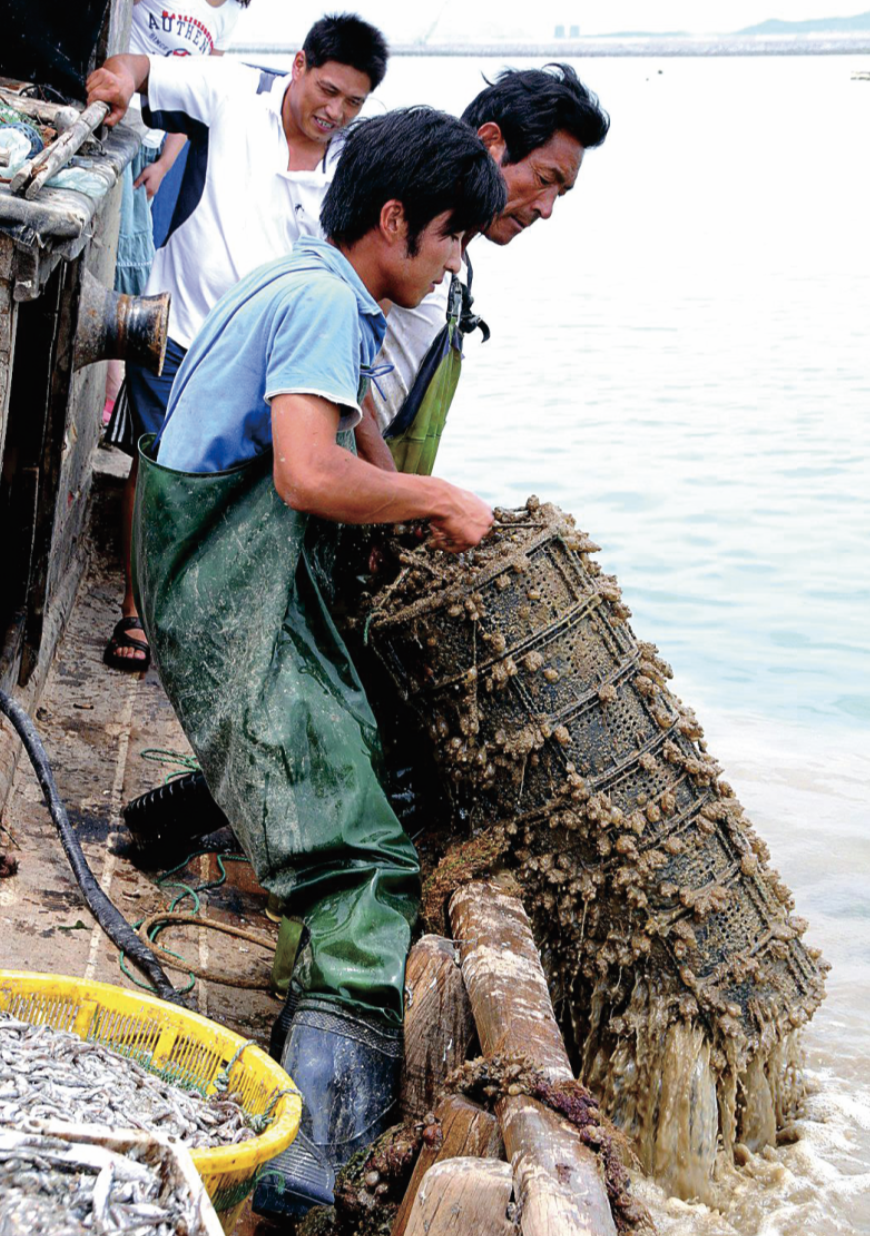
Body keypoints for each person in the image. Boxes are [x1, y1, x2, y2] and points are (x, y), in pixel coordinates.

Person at [132, 106, 506, 1217]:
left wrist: (402, 496)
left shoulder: (305, 280)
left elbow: (351, 443)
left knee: (369, 752)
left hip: (218, 575)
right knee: (364, 864)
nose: (454, 267)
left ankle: (232, 807)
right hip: (222, 596)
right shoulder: (320, 302)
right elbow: (304, 471)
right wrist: (438, 495)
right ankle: (305, 1161)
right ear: (395, 221)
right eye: (450, 241)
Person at [86, 12, 389, 670]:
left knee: (242, 490)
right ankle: (137, 612)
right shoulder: (232, 91)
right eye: (328, 91)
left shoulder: (354, 161)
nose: (335, 111)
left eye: (354, 102)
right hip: (182, 331)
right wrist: (115, 78)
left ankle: (201, 617)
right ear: (300, 64)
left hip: (270, 359)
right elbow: (142, 70)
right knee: (160, 468)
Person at [368, 64, 610, 474]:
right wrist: (402, 496)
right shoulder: (398, 237)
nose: (546, 209)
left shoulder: (455, 268)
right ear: (491, 141)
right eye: (543, 178)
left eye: (560, 194)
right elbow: (345, 385)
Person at [104, 0, 250, 425]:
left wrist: (165, 164)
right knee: (131, 264)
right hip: (116, 120)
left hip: (152, 141)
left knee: (131, 261)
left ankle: (117, 395)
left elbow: (199, 97)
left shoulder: (226, 18)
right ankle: (117, 390)